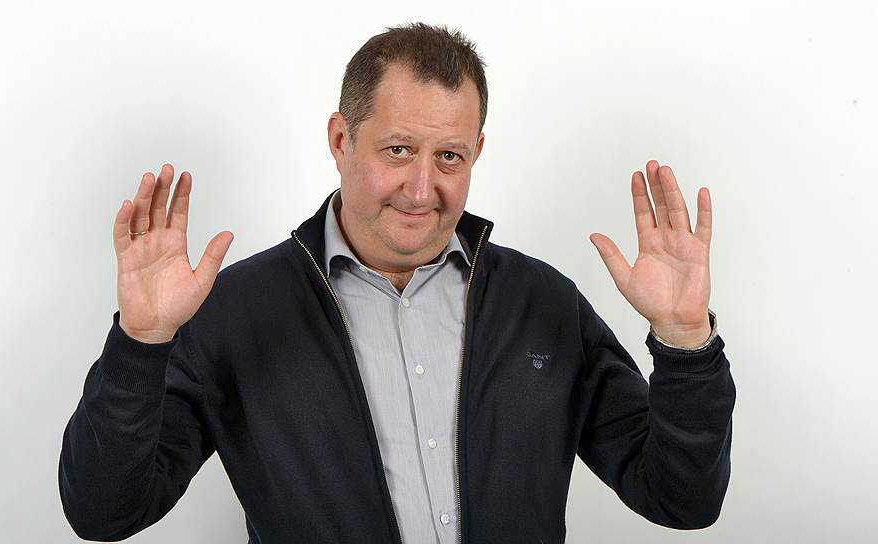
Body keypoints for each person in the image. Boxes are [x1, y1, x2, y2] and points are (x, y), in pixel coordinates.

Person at [58, 22, 734, 544]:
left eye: (449, 157)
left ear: (477, 152)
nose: (421, 189)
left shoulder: (544, 303)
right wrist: (141, 343)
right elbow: (104, 512)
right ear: (340, 140)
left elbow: (681, 499)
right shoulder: (235, 312)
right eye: (398, 150)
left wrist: (685, 344)